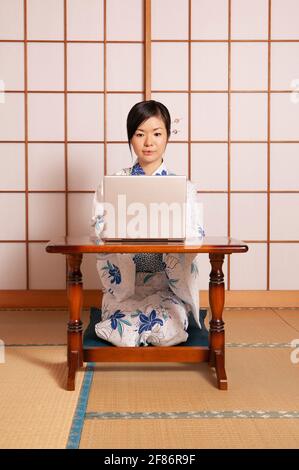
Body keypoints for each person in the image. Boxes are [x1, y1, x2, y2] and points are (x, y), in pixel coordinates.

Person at [90, 100, 204, 347]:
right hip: (127, 285)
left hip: (167, 285)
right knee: (119, 327)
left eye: (157, 133)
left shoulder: (184, 187)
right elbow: (99, 230)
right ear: (131, 138)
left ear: (167, 137)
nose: (149, 142)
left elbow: (195, 234)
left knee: (166, 326)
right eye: (140, 134)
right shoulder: (112, 184)